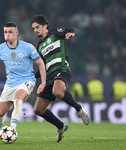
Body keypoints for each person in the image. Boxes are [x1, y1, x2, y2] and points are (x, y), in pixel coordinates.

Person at [31, 14, 90, 142]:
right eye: (34, 28)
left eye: (37, 27)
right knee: (38, 110)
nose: (35, 30)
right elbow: (42, 67)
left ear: (45, 26)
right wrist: (31, 76)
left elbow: (74, 30)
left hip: (61, 70)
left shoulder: (55, 33)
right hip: (49, 76)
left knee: (57, 92)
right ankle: (61, 126)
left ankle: (79, 109)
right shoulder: (39, 46)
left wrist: (71, 34)